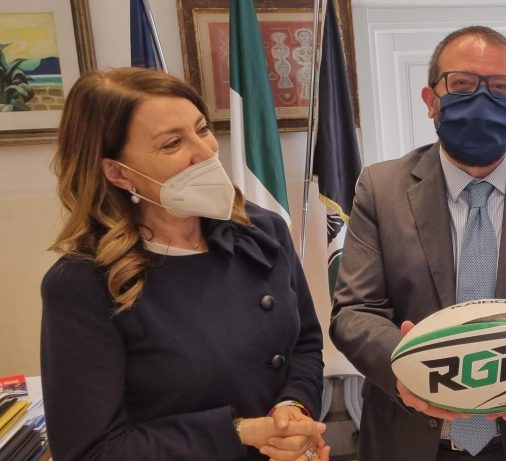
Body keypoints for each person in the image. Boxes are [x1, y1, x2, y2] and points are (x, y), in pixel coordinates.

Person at [330, 26, 506, 461]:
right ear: (431, 100)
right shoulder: (380, 189)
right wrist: (411, 370)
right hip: (411, 437)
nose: (481, 100)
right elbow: (355, 312)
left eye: (500, 88)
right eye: (461, 84)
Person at [40, 67, 330, 461]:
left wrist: (294, 411)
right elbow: (90, 451)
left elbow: (305, 344)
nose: (207, 151)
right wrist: (240, 432)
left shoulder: (262, 232)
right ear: (118, 173)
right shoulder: (84, 283)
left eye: (202, 129)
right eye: (172, 143)